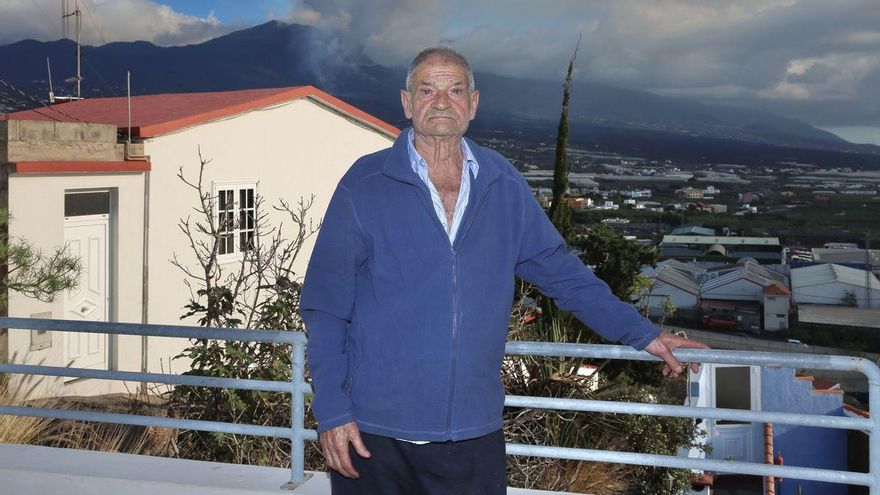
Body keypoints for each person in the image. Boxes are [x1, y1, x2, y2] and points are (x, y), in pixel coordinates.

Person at [300, 46, 708, 495]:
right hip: (373, 435)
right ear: (406, 102)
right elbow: (325, 305)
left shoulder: (502, 183)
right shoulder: (365, 184)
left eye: (455, 90)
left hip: (473, 436)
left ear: (473, 104)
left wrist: (642, 333)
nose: (441, 101)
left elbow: (561, 274)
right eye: (427, 89)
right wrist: (333, 411)